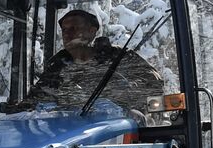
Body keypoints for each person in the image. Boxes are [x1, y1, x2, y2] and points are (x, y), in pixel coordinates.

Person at [10, 8, 162, 115]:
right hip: (72, 132)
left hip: (119, 132)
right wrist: (20, 109)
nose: (68, 34)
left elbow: (154, 85)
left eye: (74, 28)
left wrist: (125, 98)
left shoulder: (118, 57)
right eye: (64, 30)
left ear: (92, 32)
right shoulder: (57, 66)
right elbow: (36, 100)